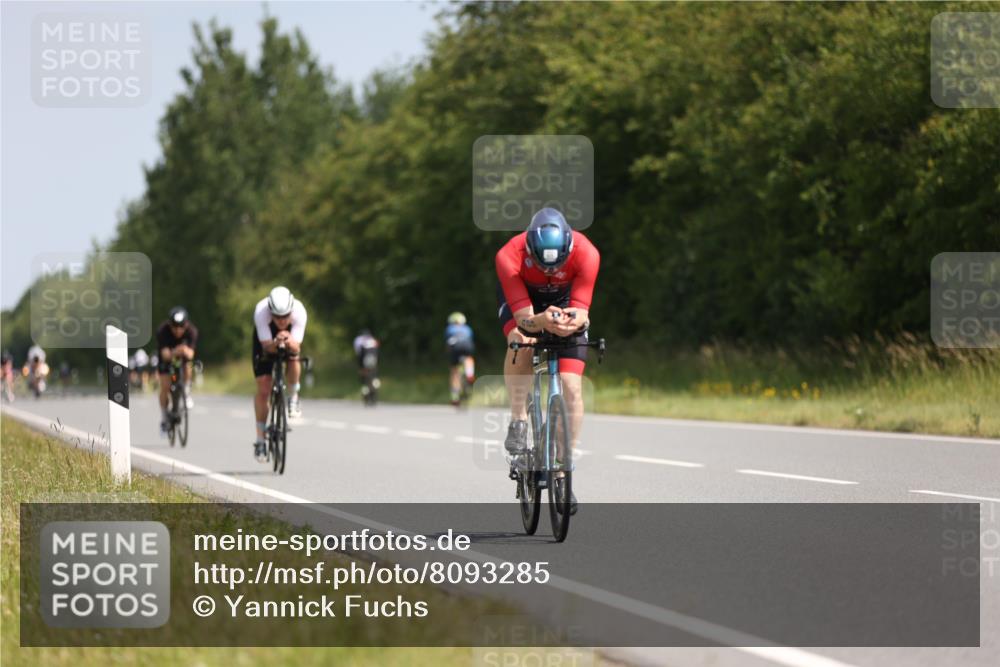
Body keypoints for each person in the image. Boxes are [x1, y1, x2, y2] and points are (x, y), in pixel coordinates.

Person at [495, 207, 600, 515]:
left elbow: (582, 312)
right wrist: (540, 320)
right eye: (544, 265)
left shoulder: (587, 253)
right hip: (525, 304)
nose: (552, 272)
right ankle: (518, 419)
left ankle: (563, 468)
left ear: (569, 248)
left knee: (571, 387)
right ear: (529, 248)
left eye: (558, 265)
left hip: (565, 305)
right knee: (522, 341)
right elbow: (525, 320)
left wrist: (573, 322)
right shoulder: (508, 256)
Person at [252, 286, 307, 461]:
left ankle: (293, 397)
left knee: (294, 359)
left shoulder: (299, 311)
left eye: (285, 316)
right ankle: (260, 440)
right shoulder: (261, 311)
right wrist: (276, 342)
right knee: (264, 387)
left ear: (291, 311)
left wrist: (289, 341)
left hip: (289, 339)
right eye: (277, 317)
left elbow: (296, 347)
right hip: (266, 340)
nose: (282, 321)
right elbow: (267, 347)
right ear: (270, 312)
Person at [157, 307, 199, 435]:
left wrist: (183, 351)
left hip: (182, 360)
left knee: (188, 366)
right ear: (170, 325)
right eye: (175, 327)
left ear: (186, 324)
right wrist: (176, 351)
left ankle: (185, 391)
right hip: (167, 361)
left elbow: (190, 354)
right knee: (165, 386)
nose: (178, 330)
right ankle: (164, 417)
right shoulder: (163, 331)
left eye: (181, 327)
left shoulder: (192, 331)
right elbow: (165, 355)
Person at [444, 312, 475, 406]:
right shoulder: (467, 328)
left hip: (455, 347)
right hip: (467, 346)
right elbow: (470, 339)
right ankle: (470, 373)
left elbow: (447, 343)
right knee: (469, 358)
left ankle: (454, 396)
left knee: (454, 372)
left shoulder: (449, 328)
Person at [353, 329, 380, 403]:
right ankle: (374, 396)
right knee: (374, 379)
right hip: (374, 364)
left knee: (364, 382)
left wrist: (360, 367)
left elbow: (360, 357)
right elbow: (377, 355)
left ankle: (366, 398)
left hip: (365, 365)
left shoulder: (362, 344)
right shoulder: (374, 343)